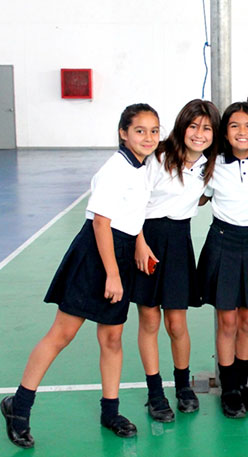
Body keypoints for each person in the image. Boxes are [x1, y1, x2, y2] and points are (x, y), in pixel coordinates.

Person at [1, 104, 160, 448]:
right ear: (123, 133)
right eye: (140, 130)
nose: (148, 137)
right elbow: (101, 223)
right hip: (95, 255)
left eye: (153, 131)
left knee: (112, 340)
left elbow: (132, 215)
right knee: (62, 334)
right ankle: (19, 407)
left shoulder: (144, 168)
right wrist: (113, 274)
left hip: (122, 250)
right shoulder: (114, 170)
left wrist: (140, 243)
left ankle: (110, 411)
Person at [132, 99, 220, 422]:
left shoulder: (209, 167)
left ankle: (183, 387)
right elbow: (136, 205)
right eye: (193, 125)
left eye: (207, 128)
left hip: (180, 242)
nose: (199, 133)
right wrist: (140, 244)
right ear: (182, 125)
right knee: (150, 321)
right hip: (147, 240)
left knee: (176, 323)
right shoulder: (158, 157)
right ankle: (155, 392)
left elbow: (203, 196)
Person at [196, 102, 248, 419]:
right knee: (227, 321)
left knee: (246, 319)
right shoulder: (213, 164)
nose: (242, 132)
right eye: (234, 126)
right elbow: (193, 195)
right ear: (224, 132)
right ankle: (228, 388)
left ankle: (242, 385)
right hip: (223, 243)